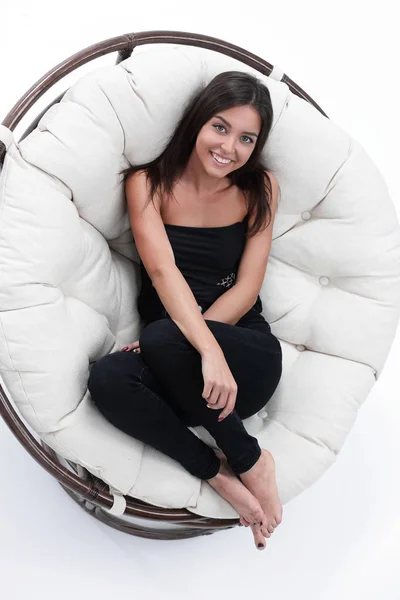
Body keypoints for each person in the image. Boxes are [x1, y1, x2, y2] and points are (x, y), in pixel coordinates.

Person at [87, 70, 283, 551]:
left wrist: (203, 347)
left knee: (161, 337)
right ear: (198, 122)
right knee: (108, 379)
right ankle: (217, 469)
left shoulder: (260, 189)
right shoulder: (147, 184)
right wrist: (189, 348)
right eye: (220, 127)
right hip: (183, 364)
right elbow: (162, 272)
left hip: (243, 359)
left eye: (246, 138)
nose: (229, 147)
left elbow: (249, 285)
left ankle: (253, 459)